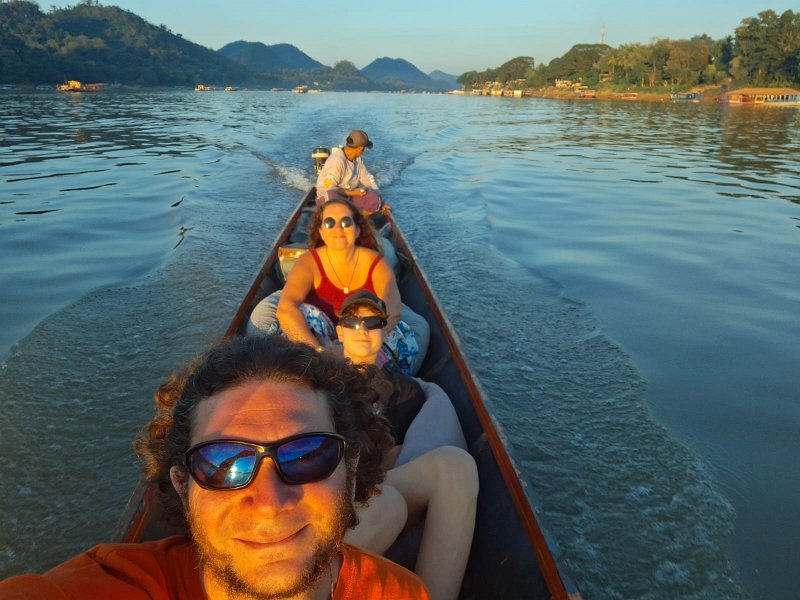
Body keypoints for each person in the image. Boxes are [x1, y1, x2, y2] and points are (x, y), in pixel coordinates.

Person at [0, 335, 430, 600]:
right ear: (182, 486)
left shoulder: (399, 593)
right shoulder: (111, 586)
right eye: (223, 463)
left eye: (306, 455)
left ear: (350, 470)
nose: (269, 502)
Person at [337, 291, 478, 600]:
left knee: (447, 472)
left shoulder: (402, 389)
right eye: (352, 321)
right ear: (339, 330)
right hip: (327, 489)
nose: (362, 329)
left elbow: (395, 455)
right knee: (390, 505)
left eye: (372, 323)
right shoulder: (317, 376)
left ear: (385, 330)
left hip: (366, 485)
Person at [247, 198, 428, 376]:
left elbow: (393, 310)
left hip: (362, 329)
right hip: (320, 333)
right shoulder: (309, 262)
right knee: (290, 317)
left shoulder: (375, 263)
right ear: (321, 232)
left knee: (419, 328)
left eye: (346, 222)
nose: (338, 228)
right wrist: (320, 354)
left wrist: (367, 346)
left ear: (357, 230)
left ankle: (389, 377)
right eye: (329, 223)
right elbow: (286, 308)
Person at [316, 130, 382, 216]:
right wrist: (352, 193)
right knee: (332, 195)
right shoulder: (337, 161)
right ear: (361, 148)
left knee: (373, 197)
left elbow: (367, 180)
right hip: (329, 194)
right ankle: (352, 215)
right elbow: (329, 187)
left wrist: (380, 200)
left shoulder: (358, 159)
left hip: (348, 195)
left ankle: (354, 215)